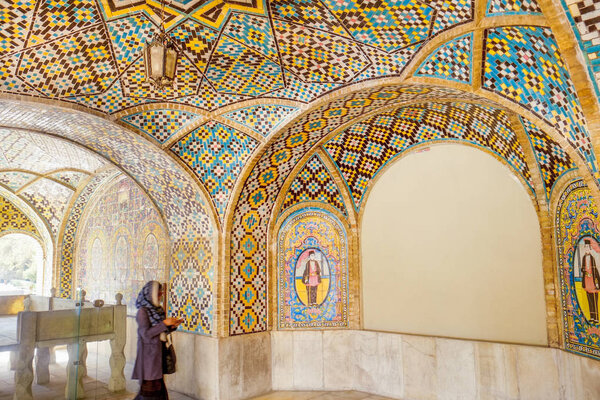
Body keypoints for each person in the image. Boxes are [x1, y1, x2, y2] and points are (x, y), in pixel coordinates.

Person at [132, 281, 183, 399]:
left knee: (158, 389)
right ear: (150, 295)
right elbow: (146, 334)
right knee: (150, 391)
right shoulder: (142, 312)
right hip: (148, 358)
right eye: (158, 294)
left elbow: (160, 331)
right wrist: (165, 323)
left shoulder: (158, 310)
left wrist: (171, 326)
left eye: (161, 294)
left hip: (158, 356)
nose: (160, 296)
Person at [581, 239, 600, 323]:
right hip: (586, 280)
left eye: (588, 247)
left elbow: (595, 269)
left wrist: (598, 281)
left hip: (592, 281)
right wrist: (584, 270)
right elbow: (582, 268)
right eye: (585, 247)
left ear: (590, 248)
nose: (586, 249)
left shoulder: (592, 258)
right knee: (589, 300)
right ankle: (592, 317)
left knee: (595, 300)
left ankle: (596, 318)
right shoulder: (584, 257)